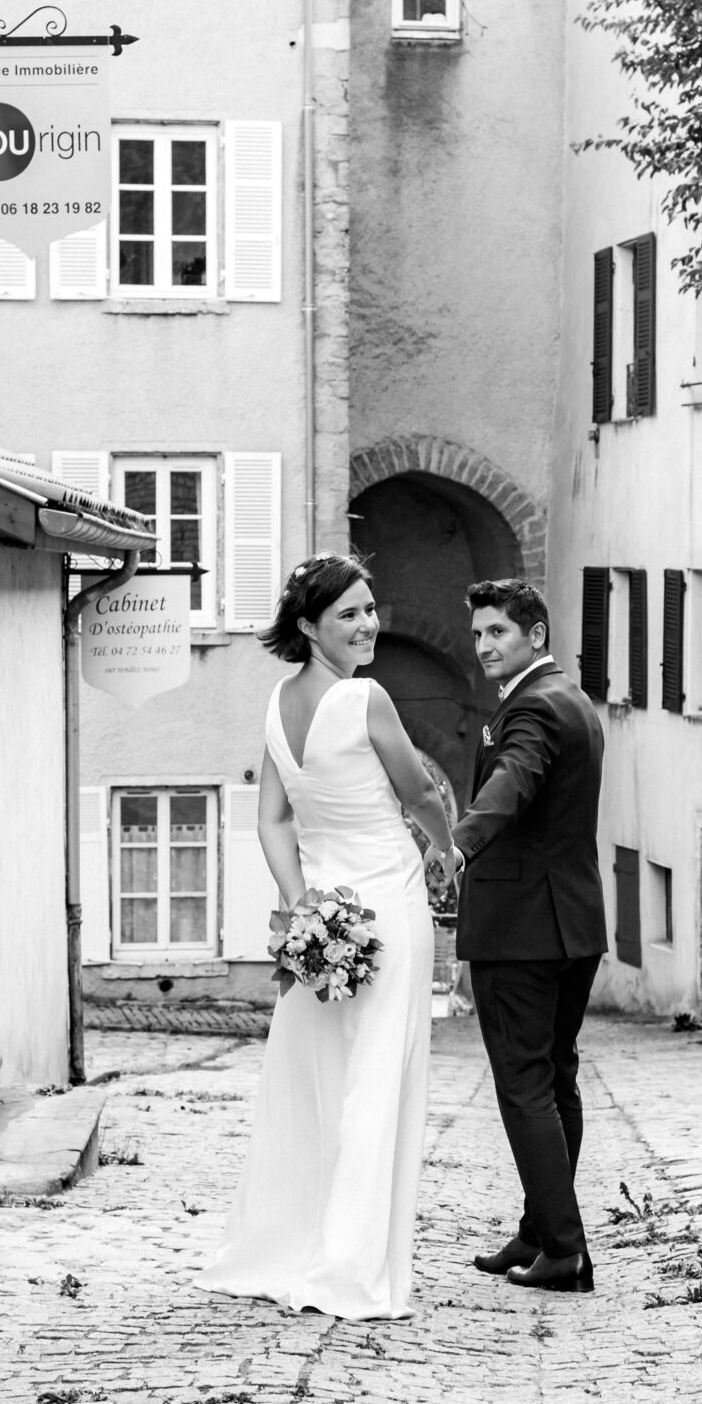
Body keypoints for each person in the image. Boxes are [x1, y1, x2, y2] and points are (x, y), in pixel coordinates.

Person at [197, 554, 457, 1320]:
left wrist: (301, 904)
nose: (368, 623)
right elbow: (419, 789)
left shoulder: (278, 703)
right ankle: (350, 1266)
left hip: (325, 920)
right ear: (309, 626)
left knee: (313, 1083)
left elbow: (272, 820)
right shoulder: (365, 697)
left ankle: (290, 1247)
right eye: (349, 613)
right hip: (388, 902)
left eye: (370, 608)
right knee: (378, 1081)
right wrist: (447, 846)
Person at [447, 579, 606, 1294]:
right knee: (555, 1078)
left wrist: (460, 842)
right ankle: (540, 1231)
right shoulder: (572, 698)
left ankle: (564, 1250)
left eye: (498, 632)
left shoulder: (534, 706)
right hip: (570, 924)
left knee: (525, 1086)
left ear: (535, 634)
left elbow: (514, 778)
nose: (484, 646)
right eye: (478, 634)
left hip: (522, 931)